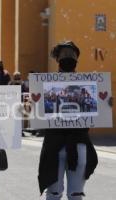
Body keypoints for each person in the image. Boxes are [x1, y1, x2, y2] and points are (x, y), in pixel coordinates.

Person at [37, 41, 110, 200]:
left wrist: (105, 105)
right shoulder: (46, 86)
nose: (68, 59)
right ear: (58, 59)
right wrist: (31, 107)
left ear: (77, 59)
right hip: (54, 146)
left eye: (71, 56)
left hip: (78, 143)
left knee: (75, 194)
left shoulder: (87, 85)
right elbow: (38, 113)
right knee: (54, 194)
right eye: (64, 56)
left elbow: (97, 111)